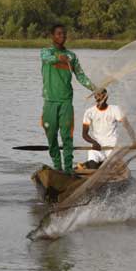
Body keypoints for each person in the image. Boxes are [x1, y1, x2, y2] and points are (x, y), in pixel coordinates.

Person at [40, 24, 96, 174]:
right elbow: (48, 59)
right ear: (52, 36)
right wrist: (59, 57)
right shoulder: (46, 52)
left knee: (67, 136)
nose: (62, 37)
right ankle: (57, 167)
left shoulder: (72, 56)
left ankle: (68, 169)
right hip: (50, 101)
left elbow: (81, 76)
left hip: (66, 101)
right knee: (51, 136)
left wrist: (95, 89)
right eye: (58, 34)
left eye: (64, 34)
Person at [80, 88, 136, 168]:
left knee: (111, 165)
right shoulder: (89, 112)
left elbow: (127, 126)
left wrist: (135, 141)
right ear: (95, 97)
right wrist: (94, 142)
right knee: (92, 161)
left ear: (106, 97)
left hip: (112, 148)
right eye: (98, 96)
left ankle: (105, 165)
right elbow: (84, 134)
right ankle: (94, 170)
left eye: (103, 95)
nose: (101, 98)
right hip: (97, 147)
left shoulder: (115, 109)